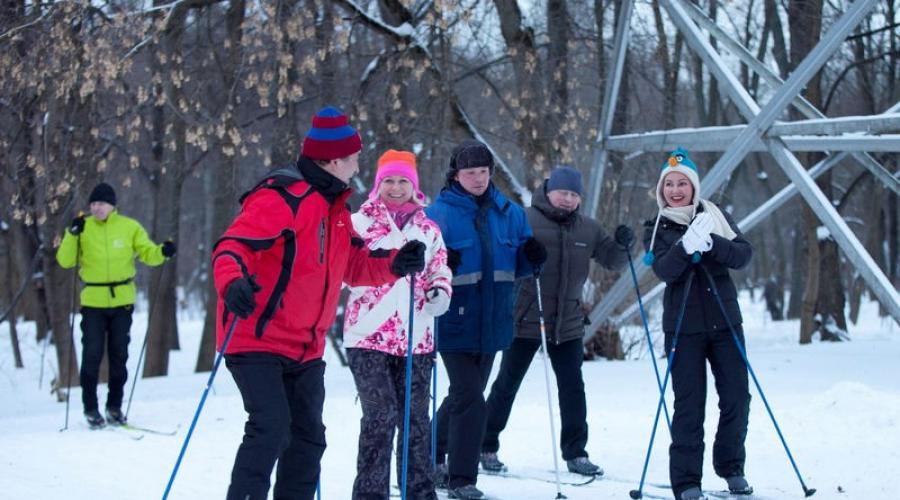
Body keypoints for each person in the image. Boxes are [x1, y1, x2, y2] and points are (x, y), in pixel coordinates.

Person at [212, 107, 426, 500]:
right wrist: (233, 283)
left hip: (306, 346)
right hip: (257, 336)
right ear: (333, 160)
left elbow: (356, 264)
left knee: (309, 437)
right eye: (354, 157)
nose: (358, 164)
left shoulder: (337, 209)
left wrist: (397, 262)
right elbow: (232, 246)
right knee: (270, 426)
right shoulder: (282, 197)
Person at [481, 165, 632, 477]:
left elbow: (614, 262)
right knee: (507, 383)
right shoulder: (523, 218)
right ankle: (486, 444)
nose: (567, 199)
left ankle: (576, 453)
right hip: (525, 318)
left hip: (568, 322)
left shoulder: (588, 228)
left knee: (573, 388)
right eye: (563, 192)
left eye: (574, 194)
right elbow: (499, 253)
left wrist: (623, 244)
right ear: (548, 190)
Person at [425, 139, 547, 500]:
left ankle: (424, 454)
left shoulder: (510, 212)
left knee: (465, 396)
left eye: (483, 171)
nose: (477, 179)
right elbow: (425, 266)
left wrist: (532, 257)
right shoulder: (438, 214)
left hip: (494, 320)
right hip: (452, 320)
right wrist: (442, 263)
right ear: (455, 175)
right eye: (469, 172)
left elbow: (519, 263)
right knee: (470, 397)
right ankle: (463, 479)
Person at [642, 148, 754, 500]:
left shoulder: (716, 216)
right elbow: (664, 271)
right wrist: (684, 246)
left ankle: (731, 467)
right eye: (669, 184)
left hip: (725, 324)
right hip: (683, 328)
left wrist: (712, 243)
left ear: (694, 187)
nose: (676, 190)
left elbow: (743, 254)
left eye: (683, 184)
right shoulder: (656, 226)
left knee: (737, 397)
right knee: (689, 404)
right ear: (662, 190)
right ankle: (687, 481)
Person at [342, 149, 452, 500]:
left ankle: (419, 492)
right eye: (388, 180)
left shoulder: (427, 228)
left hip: (415, 336)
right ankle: (370, 494)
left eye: (403, 180)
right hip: (368, 335)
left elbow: (439, 268)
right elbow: (346, 275)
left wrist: (439, 292)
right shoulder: (359, 223)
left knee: (415, 422)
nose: (395, 187)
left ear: (414, 186)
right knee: (381, 416)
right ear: (377, 184)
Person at [56, 182, 177, 428]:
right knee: (92, 355)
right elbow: (65, 261)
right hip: (93, 302)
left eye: (101, 203)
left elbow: (147, 253)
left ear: (112, 205)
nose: (96, 208)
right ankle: (90, 408)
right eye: (93, 204)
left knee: (119, 356)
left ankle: (114, 407)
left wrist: (163, 251)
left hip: (122, 301)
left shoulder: (129, 227)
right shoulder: (83, 228)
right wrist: (71, 234)